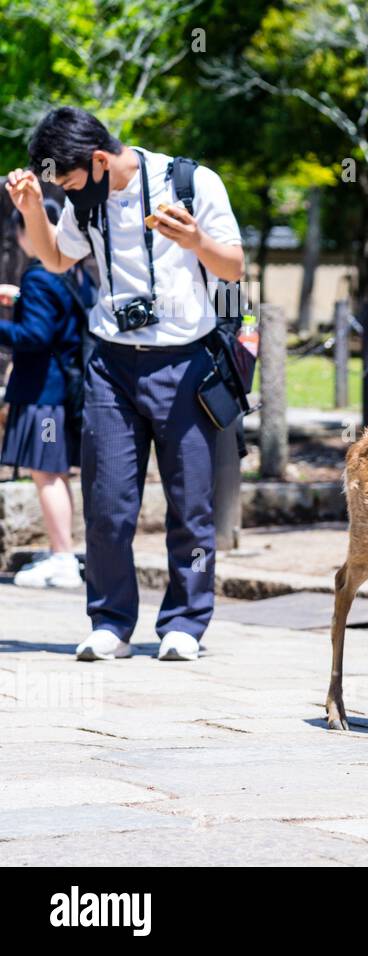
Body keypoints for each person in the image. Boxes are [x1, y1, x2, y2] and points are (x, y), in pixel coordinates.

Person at [4, 106, 244, 662]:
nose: (66, 191)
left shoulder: (190, 182)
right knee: (107, 503)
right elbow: (57, 259)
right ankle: (110, 621)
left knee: (191, 503)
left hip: (185, 362)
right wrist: (35, 210)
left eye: (66, 181)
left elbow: (232, 265)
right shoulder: (84, 203)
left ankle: (185, 622)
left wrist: (196, 242)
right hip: (111, 364)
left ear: (98, 159)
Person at [0, 200, 91, 589]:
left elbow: (35, 337)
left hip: (44, 397)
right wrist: (19, 300)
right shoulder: (74, 272)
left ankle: (63, 557)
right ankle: (62, 552)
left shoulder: (39, 276)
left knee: (47, 474)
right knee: (54, 473)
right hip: (62, 392)